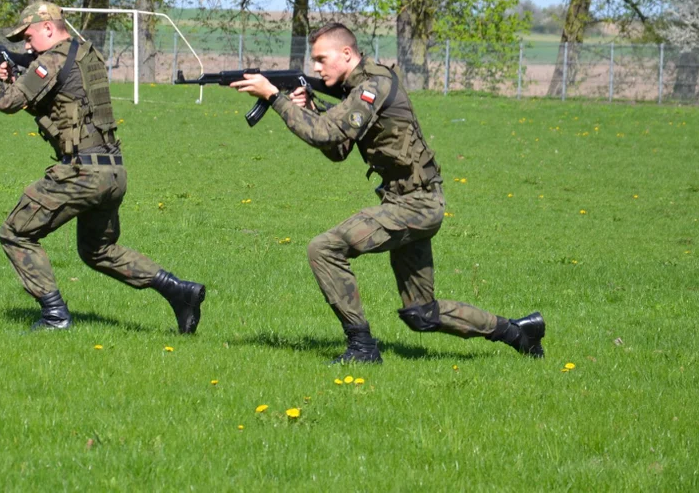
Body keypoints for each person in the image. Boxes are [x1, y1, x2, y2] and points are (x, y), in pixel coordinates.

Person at [230, 22, 544, 363]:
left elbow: (326, 136)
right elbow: (337, 149)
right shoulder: (359, 91)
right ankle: (519, 332)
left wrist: (274, 98)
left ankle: (362, 348)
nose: (316, 68)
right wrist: (308, 109)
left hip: (416, 203)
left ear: (346, 53)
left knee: (324, 248)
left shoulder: (373, 85)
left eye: (322, 59)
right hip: (406, 201)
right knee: (422, 315)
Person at [0, 2, 205, 333]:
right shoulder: (86, 54)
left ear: (49, 27)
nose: (27, 46)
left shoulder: (52, 59)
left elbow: (9, 102)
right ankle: (181, 292)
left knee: (16, 232)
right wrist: (18, 76)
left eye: (29, 37)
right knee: (98, 250)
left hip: (82, 172)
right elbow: (63, 101)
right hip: (113, 171)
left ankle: (55, 316)